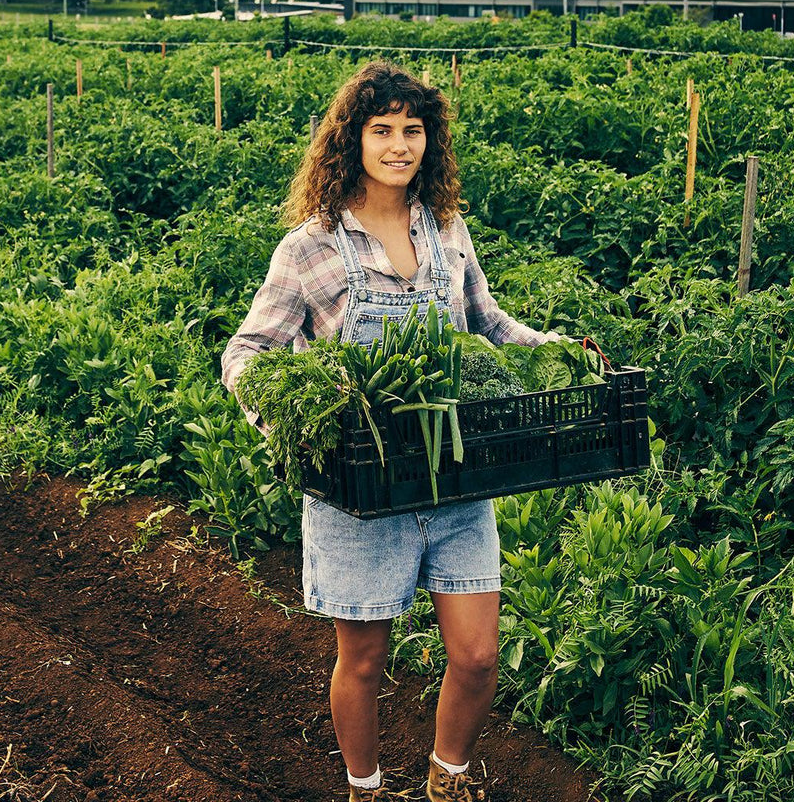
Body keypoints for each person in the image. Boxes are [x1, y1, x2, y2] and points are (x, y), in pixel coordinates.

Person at [220, 60, 563, 802]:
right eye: (383, 130)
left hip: (456, 474)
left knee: (476, 656)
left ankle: (448, 779)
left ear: (429, 142)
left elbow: (487, 323)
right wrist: (294, 421)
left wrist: (555, 350)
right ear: (353, 141)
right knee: (366, 661)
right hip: (361, 487)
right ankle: (365, 788)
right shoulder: (310, 246)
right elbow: (246, 354)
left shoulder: (446, 228)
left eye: (414, 130)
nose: (400, 145)